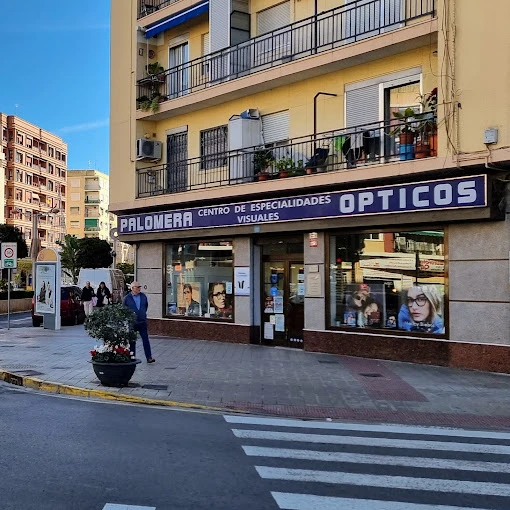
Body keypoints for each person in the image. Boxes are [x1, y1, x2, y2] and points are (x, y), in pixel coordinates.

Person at [123, 281, 155, 363]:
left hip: (142, 321)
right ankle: (132, 357)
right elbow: (123, 309)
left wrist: (142, 314)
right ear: (132, 288)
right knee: (132, 341)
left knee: (145, 340)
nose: (139, 289)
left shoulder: (143, 296)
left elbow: (146, 306)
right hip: (132, 322)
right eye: (137, 287)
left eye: (139, 287)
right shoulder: (127, 298)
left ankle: (149, 357)